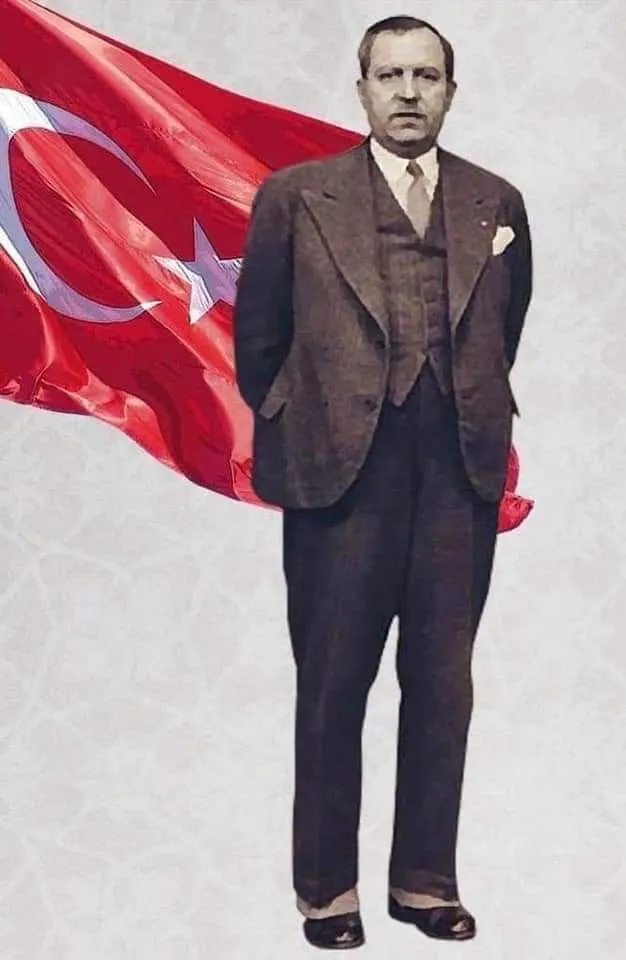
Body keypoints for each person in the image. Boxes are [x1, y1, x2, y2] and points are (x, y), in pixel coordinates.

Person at [234, 13, 532, 950]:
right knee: (333, 687)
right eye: (391, 75)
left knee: (443, 687)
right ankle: (328, 893)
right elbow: (258, 342)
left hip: (455, 475)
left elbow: (507, 326)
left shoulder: (497, 202)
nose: (408, 92)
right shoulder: (295, 197)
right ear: (361, 89)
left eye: (426, 76)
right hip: (340, 477)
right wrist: (309, 417)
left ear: (451, 91)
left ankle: (424, 883)